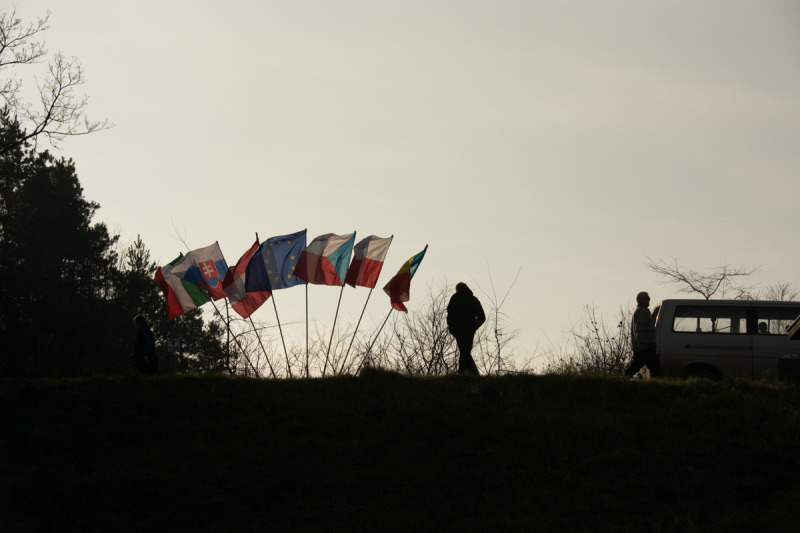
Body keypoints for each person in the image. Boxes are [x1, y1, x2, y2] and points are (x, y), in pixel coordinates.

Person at [447, 282, 486, 375]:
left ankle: (465, 373)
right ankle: (468, 373)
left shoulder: (455, 298)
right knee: (465, 351)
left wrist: (451, 327)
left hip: (459, 329)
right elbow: (482, 317)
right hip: (469, 330)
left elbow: (450, 314)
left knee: (464, 351)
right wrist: (475, 326)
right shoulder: (473, 299)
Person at [625, 291, 662, 378]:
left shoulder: (643, 311)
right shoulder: (641, 312)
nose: (649, 300)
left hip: (646, 346)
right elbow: (640, 329)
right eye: (647, 298)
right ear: (640, 300)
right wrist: (641, 343)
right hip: (645, 346)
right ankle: (622, 380)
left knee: (639, 366)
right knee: (652, 368)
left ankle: (623, 380)